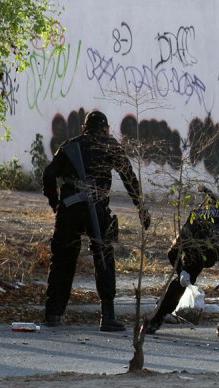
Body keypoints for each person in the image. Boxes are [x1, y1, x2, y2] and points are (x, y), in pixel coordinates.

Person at [42, 110, 150, 332]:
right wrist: (141, 208)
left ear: (84, 128)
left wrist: (56, 203)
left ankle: (53, 313)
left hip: (70, 209)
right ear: (105, 128)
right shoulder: (109, 145)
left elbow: (48, 174)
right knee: (103, 258)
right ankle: (108, 316)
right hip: (97, 209)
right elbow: (129, 177)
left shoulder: (70, 145)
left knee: (63, 259)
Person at [145, 192, 219, 340]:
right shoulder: (194, 228)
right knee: (184, 278)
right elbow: (173, 252)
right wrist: (181, 272)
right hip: (197, 249)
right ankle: (156, 318)